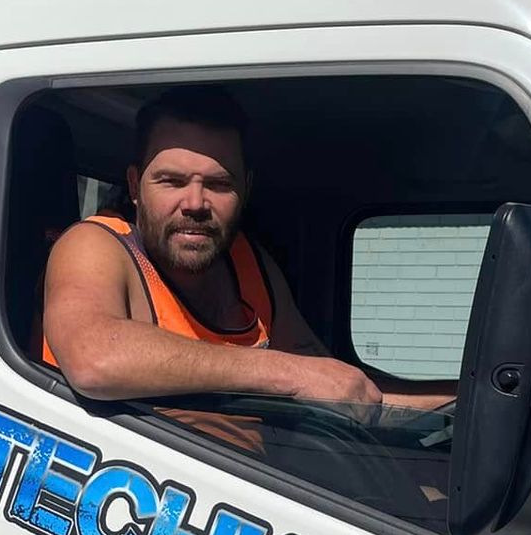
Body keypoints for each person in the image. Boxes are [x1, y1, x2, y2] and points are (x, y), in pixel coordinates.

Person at [40, 85, 451, 414]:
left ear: (245, 189)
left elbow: (334, 384)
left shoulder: (248, 262)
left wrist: (461, 405)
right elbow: (93, 358)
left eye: (219, 184)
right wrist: (282, 372)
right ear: (134, 187)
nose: (196, 203)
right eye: (172, 181)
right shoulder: (97, 244)